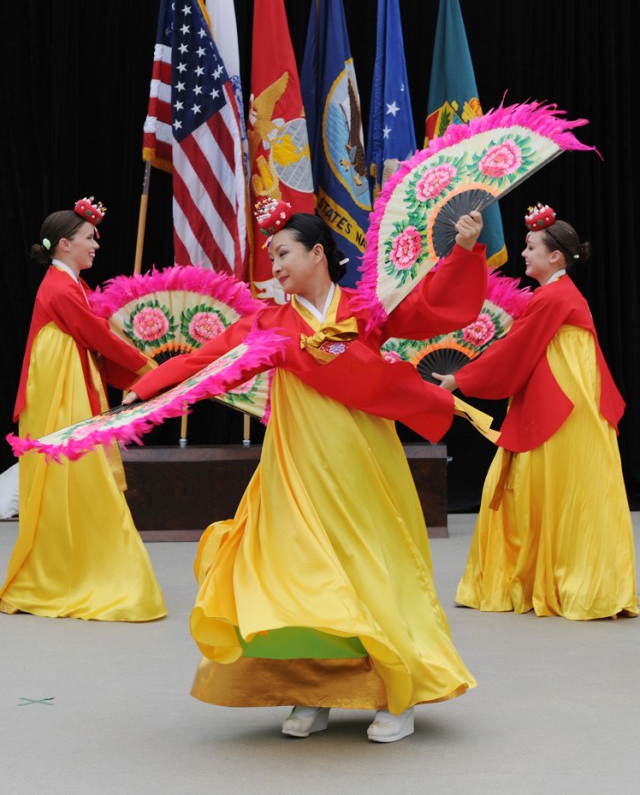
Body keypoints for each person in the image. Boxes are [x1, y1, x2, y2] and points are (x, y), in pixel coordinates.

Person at [124, 202, 488, 741]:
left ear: (318, 254)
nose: (275, 266)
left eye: (283, 253)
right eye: (272, 257)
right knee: (297, 580)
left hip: (363, 467)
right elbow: (209, 362)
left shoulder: (365, 311)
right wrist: (144, 389)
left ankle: (399, 692)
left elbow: (433, 309)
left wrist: (462, 251)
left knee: (372, 574)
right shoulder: (269, 324)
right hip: (295, 470)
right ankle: (312, 690)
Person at [434, 203, 638, 621]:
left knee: (541, 489)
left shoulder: (554, 297)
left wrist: (461, 380)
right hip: (567, 404)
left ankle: (559, 581)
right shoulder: (557, 295)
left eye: (530, 247)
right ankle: (565, 579)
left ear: (555, 257)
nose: (523, 254)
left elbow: (514, 351)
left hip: (561, 408)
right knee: (561, 491)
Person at [0, 199, 166, 622]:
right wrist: (150, 370)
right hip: (60, 389)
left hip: (65, 381)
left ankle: (65, 571)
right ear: (64, 243)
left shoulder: (69, 284)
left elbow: (99, 333)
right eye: (90, 237)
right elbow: (97, 335)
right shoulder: (60, 287)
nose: (96, 244)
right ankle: (75, 575)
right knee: (75, 476)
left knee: (69, 481)